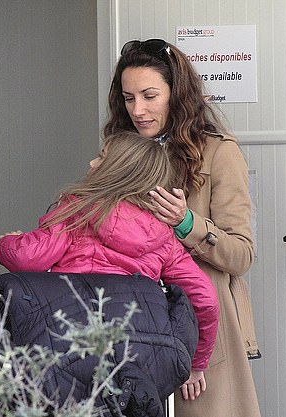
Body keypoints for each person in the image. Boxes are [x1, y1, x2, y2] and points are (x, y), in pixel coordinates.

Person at [0, 131, 220, 399]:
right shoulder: (164, 238)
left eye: (102, 157)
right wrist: (196, 364)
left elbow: (27, 257)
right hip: (140, 356)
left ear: (118, 170)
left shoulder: (79, 210)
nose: (91, 163)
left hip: (68, 345)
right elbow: (205, 299)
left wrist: (9, 241)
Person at [104, 38, 259, 417]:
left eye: (149, 95)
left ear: (177, 93)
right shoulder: (116, 151)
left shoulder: (219, 152)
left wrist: (186, 223)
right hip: (131, 321)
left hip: (201, 325)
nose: (137, 110)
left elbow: (241, 255)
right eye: (128, 98)